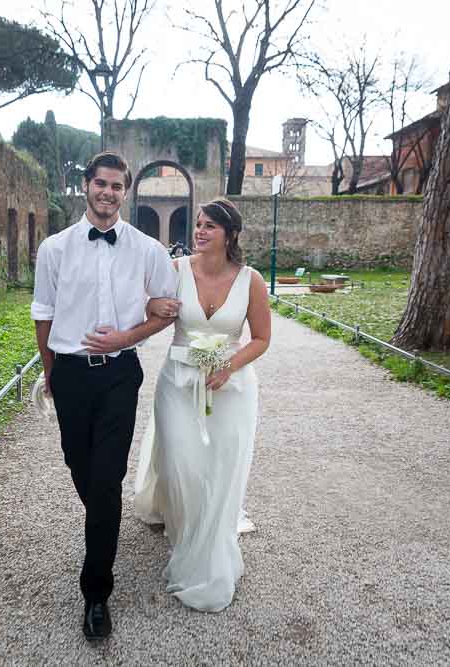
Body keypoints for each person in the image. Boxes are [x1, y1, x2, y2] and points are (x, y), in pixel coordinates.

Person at [31, 152, 177, 640]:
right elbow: (43, 315)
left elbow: (167, 310)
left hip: (119, 375)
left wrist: (125, 337)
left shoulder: (148, 251)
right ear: (87, 186)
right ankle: (104, 524)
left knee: (107, 476)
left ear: (126, 192)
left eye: (117, 186)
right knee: (82, 469)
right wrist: (51, 374)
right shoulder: (53, 248)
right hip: (71, 374)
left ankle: (96, 593)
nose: (108, 193)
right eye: (101, 184)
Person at [134, 197, 271, 612]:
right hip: (177, 383)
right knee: (182, 463)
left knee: (221, 468)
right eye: (198, 224)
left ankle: (207, 546)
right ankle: (183, 524)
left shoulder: (252, 280)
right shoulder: (176, 271)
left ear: (229, 234)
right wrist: (151, 305)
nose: (200, 231)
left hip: (231, 390)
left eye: (210, 225)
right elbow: (147, 308)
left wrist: (229, 365)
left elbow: (262, 339)